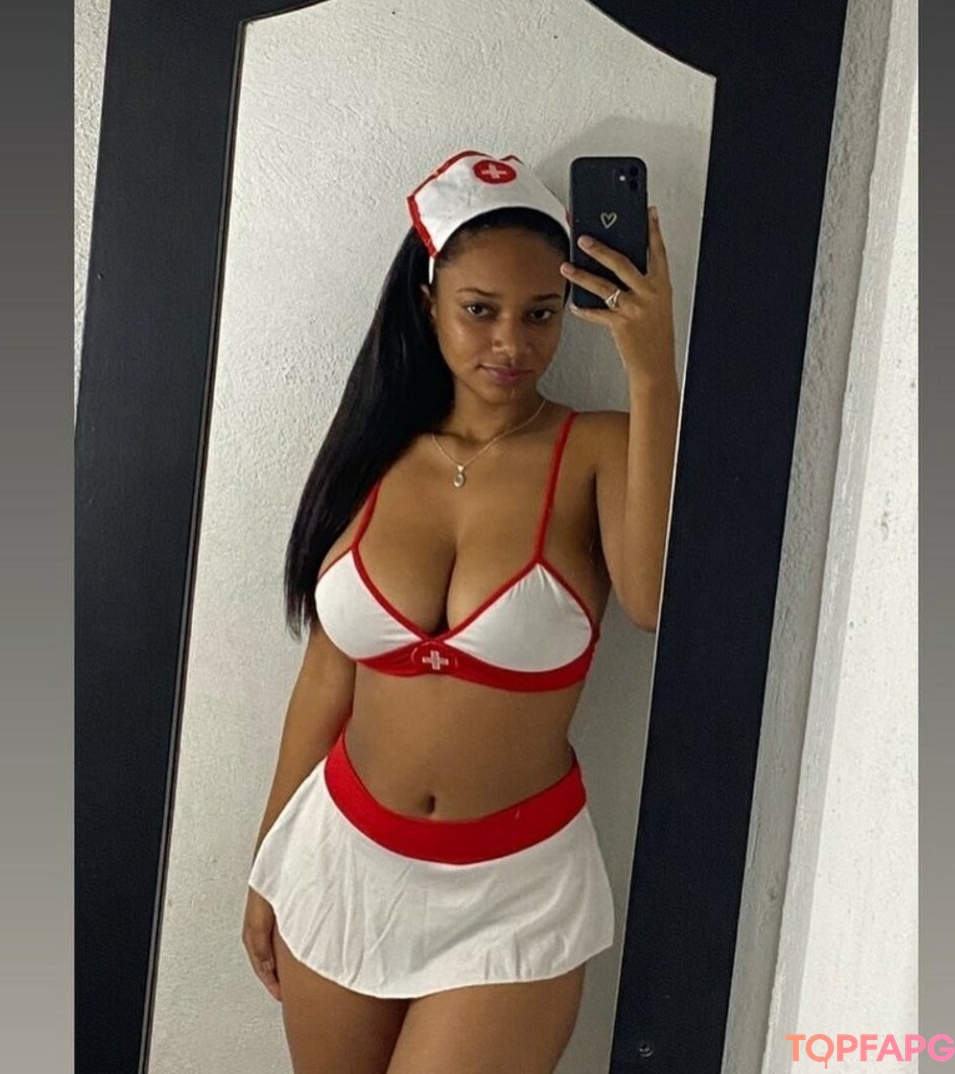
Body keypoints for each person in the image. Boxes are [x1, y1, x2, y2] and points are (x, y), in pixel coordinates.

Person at [242, 150, 681, 1074]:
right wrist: (268, 860)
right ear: (429, 303)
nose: (511, 343)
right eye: (480, 310)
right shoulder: (370, 453)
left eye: (541, 313)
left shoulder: (596, 448)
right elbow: (325, 678)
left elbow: (649, 599)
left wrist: (652, 374)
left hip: (514, 895)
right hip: (340, 861)